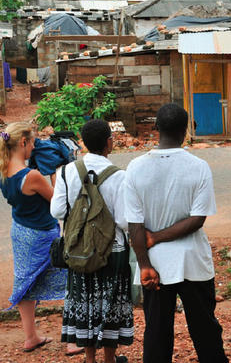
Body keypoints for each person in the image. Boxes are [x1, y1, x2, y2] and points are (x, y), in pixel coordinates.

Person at [125, 103, 228, 363]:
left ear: (156, 128)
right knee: (205, 328)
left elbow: (134, 226)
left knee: (157, 332)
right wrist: (157, 236)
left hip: (156, 263)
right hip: (193, 260)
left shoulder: (135, 168)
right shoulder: (199, 166)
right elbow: (197, 220)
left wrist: (145, 263)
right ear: (186, 130)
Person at [51, 119, 133, 363]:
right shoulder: (119, 176)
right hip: (112, 251)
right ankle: (110, 358)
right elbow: (125, 221)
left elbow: (57, 211)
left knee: (85, 303)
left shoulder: (65, 171)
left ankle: (89, 358)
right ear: (109, 142)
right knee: (110, 304)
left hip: (78, 250)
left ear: (84, 143)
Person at [0, 122, 67, 352]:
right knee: (70, 279)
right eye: (33, 142)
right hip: (42, 235)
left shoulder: (4, 170)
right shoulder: (32, 176)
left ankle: (31, 337)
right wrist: (57, 171)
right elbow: (57, 202)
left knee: (25, 282)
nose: (35, 147)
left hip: (20, 231)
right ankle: (72, 340)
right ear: (23, 142)